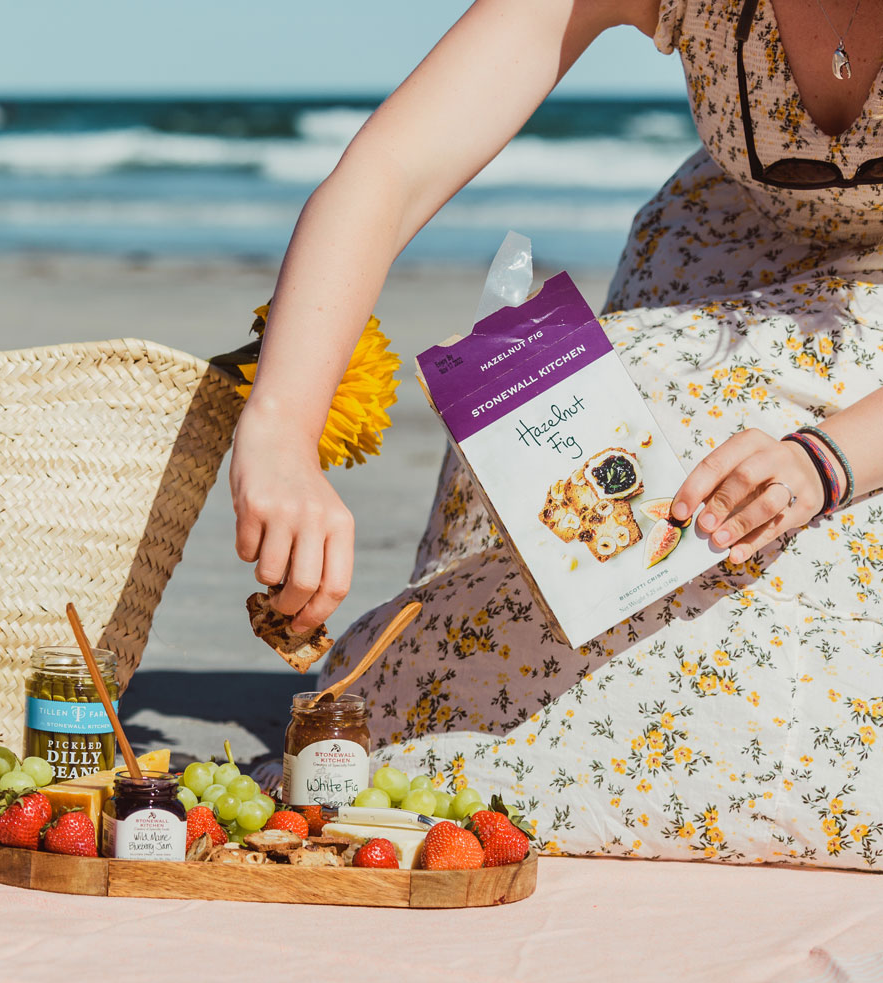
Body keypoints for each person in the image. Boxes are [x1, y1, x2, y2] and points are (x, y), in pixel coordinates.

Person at [231, 0, 883, 869]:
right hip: (721, 271)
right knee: (571, 465)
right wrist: (281, 431)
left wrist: (827, 458)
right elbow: (392, 169)